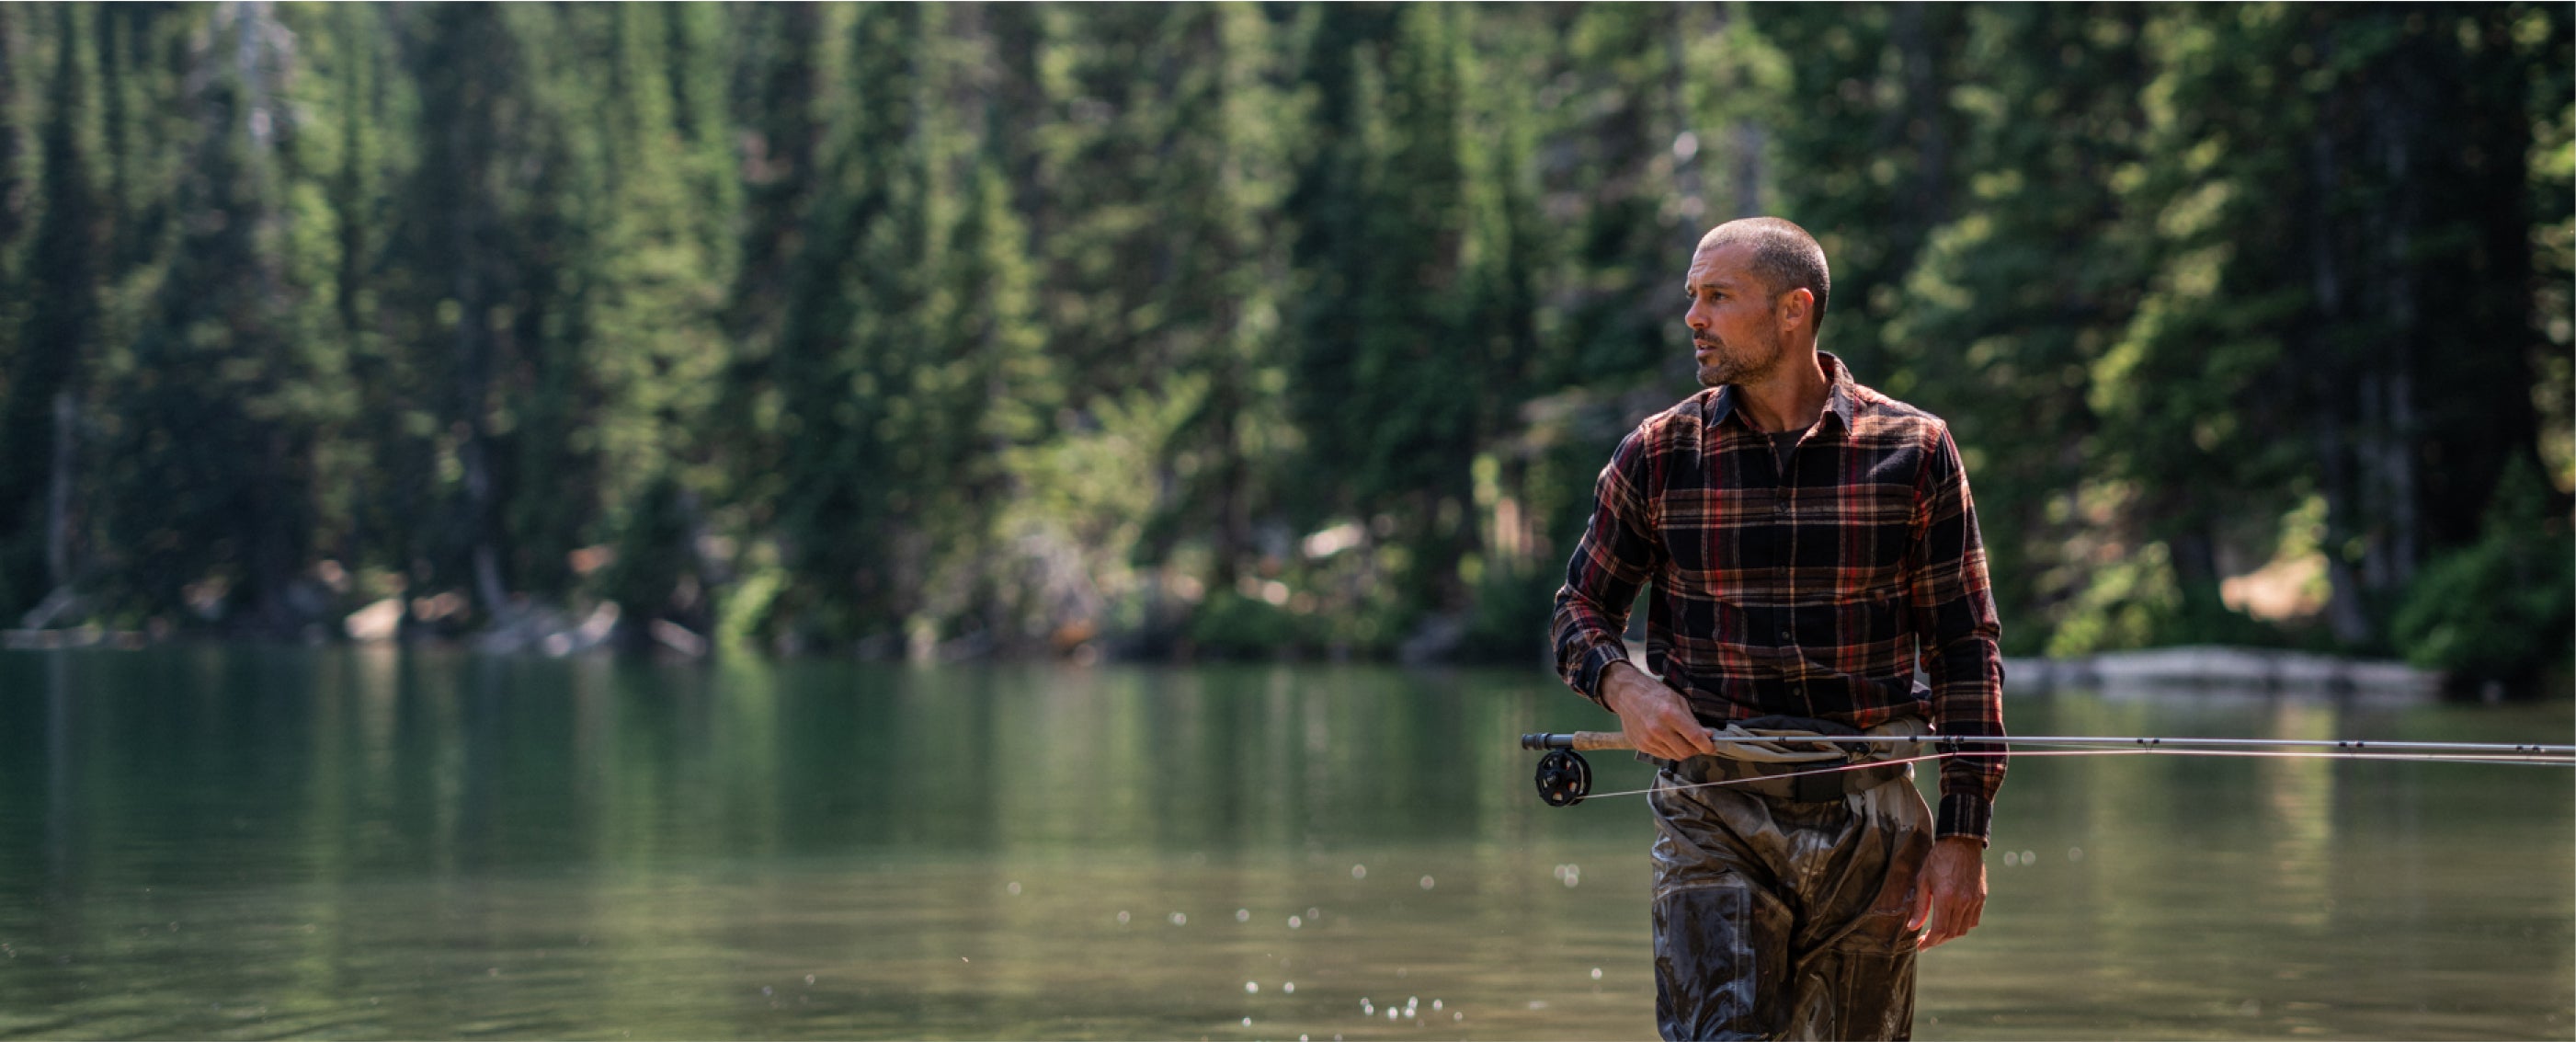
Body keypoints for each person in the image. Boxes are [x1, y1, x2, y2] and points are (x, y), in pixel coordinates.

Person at [1549, 217, 2005, 1040]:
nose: (1694, 316)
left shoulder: (1917, 449)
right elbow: (1578, 610)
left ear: (1794, 309)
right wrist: (1626, 686)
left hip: (1875, 826)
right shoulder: (1657, 453)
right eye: (1693, 296)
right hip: (1712, 814)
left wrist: (1965, 833)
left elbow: (1966, 649)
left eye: (1718, 297)